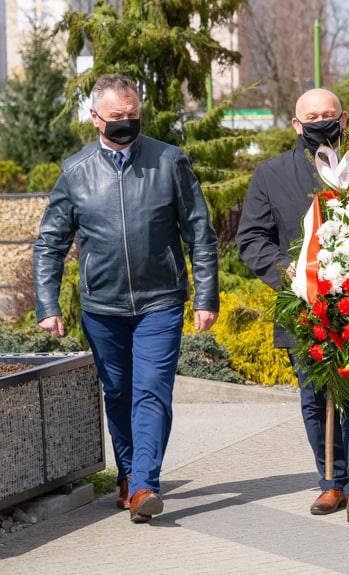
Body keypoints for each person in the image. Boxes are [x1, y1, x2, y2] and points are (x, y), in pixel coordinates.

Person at [33, 74, 219, 523]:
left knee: (152, 391)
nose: (126, 123)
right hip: (103, 306)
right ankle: (129, 474)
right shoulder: (75, 172)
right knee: (117, 393)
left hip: (161, 299)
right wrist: (47, 304)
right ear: (95, 117)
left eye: (133, 116)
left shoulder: (170, 161)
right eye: (117, 117)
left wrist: (206, 295)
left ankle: (144, 486)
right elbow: (50, 242)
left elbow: (199, 232)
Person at [236, 88, 349, 525]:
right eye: (311, 116)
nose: (321, 121)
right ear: (297, 125)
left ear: (343, 119)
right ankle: (331, 482)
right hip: (305, 306)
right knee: (315, 398)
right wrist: (293, 273)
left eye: (328, 114)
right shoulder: (271, 174)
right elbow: (252, 240)